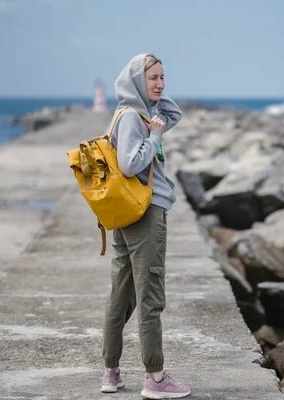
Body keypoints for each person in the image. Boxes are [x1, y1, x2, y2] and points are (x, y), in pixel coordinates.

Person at [100, 53, 190, 399]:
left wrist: (148, 97)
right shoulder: (133, 119)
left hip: (127, 215)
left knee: (121, 296)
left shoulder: (132, 112)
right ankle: (155, 377)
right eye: (152, 78)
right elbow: (128, 164)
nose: (160, 84)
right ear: (137, 80)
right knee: (150, 295)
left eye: (163, 78)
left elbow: (174, 114)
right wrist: (153, 138)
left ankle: (111, 372)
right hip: (145, 213)